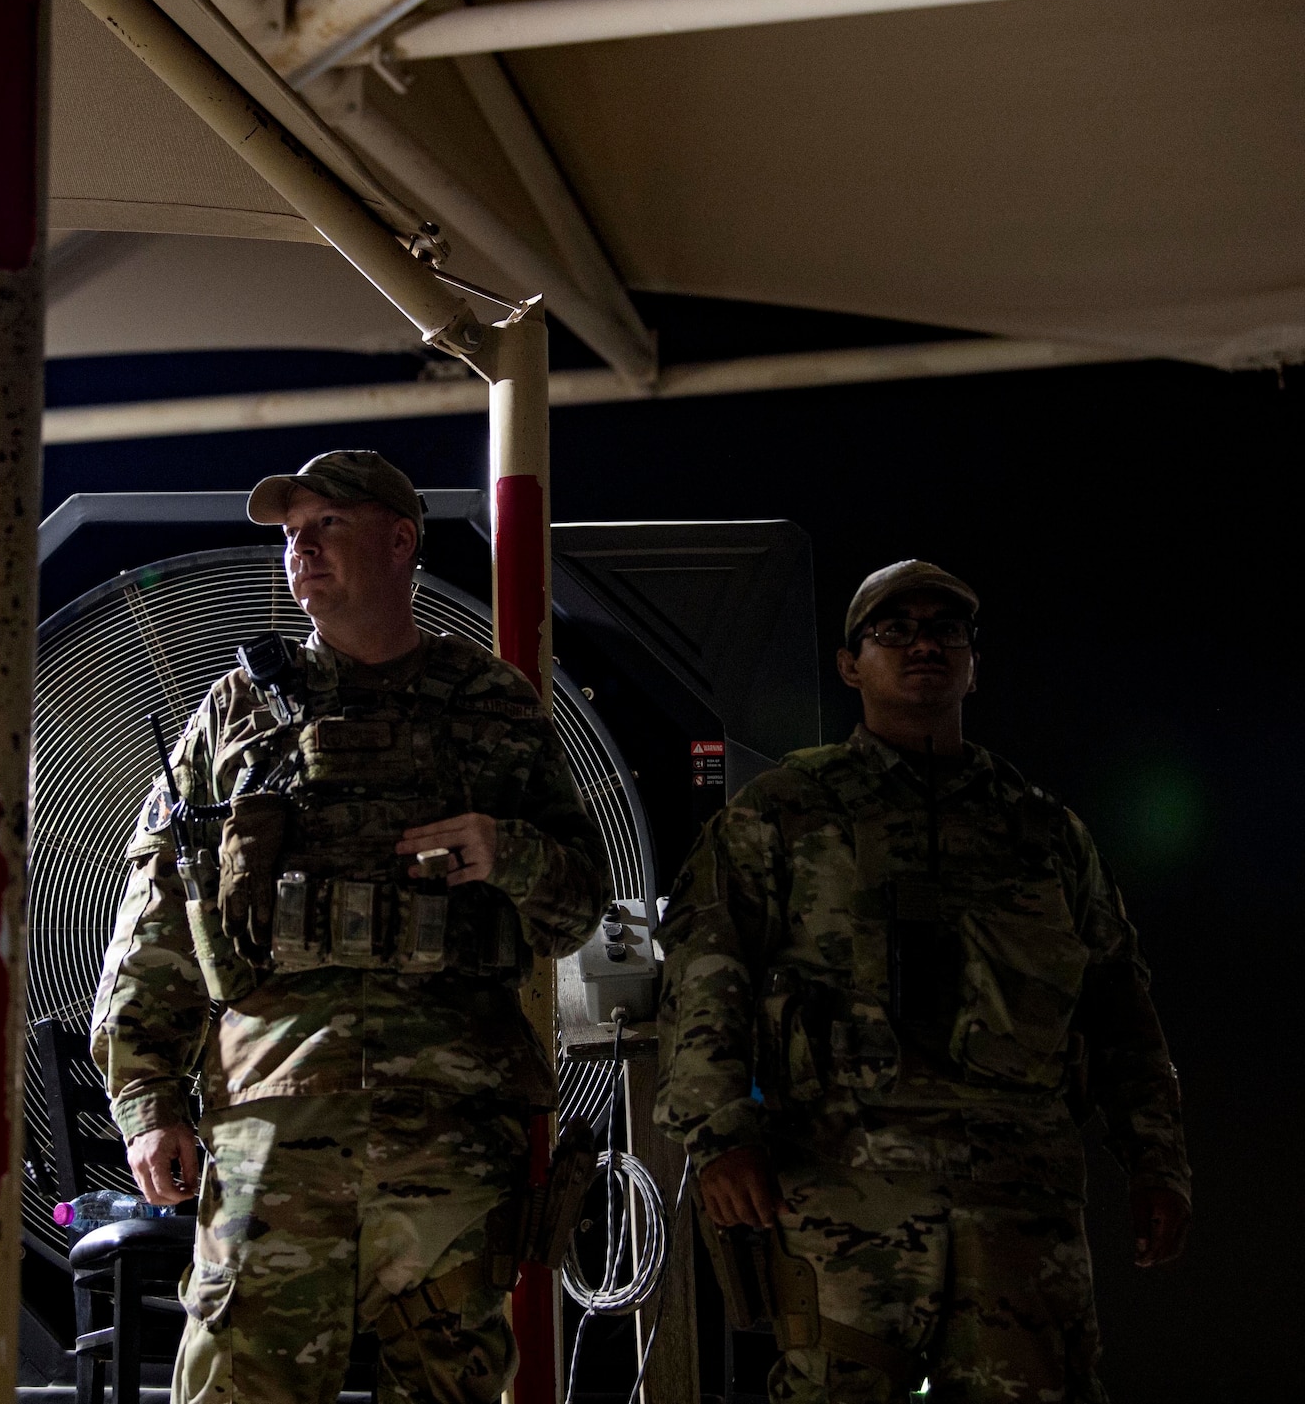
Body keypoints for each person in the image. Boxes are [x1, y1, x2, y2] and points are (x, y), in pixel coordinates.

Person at [89, 450, 610, 1404]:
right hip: (272, 1132)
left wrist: (510, 852)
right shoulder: (238, 711)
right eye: (291, 532)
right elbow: (157, 909)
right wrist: (147, 1100)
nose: (301, 547)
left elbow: (580, 907)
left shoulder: (493, 707)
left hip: (449, 1140)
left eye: (327, 523)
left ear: (401, 539)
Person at [654, 559, 1192, 1404]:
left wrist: (1158, 1161)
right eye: (893, 629)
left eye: (946, 629)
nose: (924, 643)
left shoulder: (1041, 831)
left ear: (975, 662)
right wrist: (720, 1134)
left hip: (1018, 1207)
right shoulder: (785, 811)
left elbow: (1120, 1002)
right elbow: (704, 963)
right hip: (844, 1195)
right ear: (849, 663)